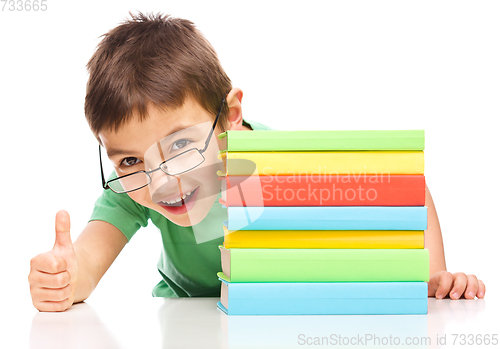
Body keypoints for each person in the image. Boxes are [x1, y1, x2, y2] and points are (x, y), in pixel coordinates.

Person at [28, 13, 485, 312]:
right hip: (184, 320)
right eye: (129, 157)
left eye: (180, 145)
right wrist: (67, 277)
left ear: (228, 116)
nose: (163, 180)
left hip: (270, 316)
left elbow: (403, 185)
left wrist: (429, 277)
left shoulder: (272, 165)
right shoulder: (136, 186)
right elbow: (88, 260)